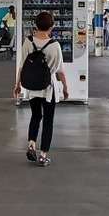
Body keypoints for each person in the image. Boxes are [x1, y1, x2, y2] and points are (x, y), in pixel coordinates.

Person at [14, 11, 69, 167]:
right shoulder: (55, 46)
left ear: (35, 25)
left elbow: (22, 66)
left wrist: (17, 85)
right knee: (48, 121)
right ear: (51, 27)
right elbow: (60, 71)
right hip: (48, 89)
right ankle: (43, 156)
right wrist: (65, 88)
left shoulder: (28, 42)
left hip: (32, 87)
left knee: (35, 116)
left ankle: (31, 144)